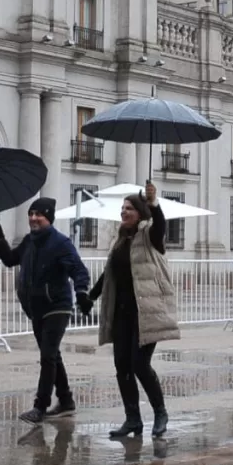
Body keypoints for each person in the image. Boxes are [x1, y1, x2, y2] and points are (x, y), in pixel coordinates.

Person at [80, 181, 180, 438]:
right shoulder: (120, 239)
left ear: (140, 213)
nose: (123, 212)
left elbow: (160, 225)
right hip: (121, 313)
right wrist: (91, 296)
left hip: (145, 313)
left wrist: (154, 202)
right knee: (122, 366)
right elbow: (109, 273)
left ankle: (160, 412)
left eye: (129, 209)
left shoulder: (150, 236)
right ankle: (132, 419)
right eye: (122, 208)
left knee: (140, 364)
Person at [0, 198, 92, 424]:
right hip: (35, 308)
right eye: (31, 213)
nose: (34, 218)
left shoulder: (60, 243)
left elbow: (78, 269)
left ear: (49, 218)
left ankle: (40, 406)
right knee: (53, 355)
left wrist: (82, 292)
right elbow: (9, 260)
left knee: (47, 355)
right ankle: (66, 400)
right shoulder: (29, 241)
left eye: (40, 215)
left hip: (57, 306)